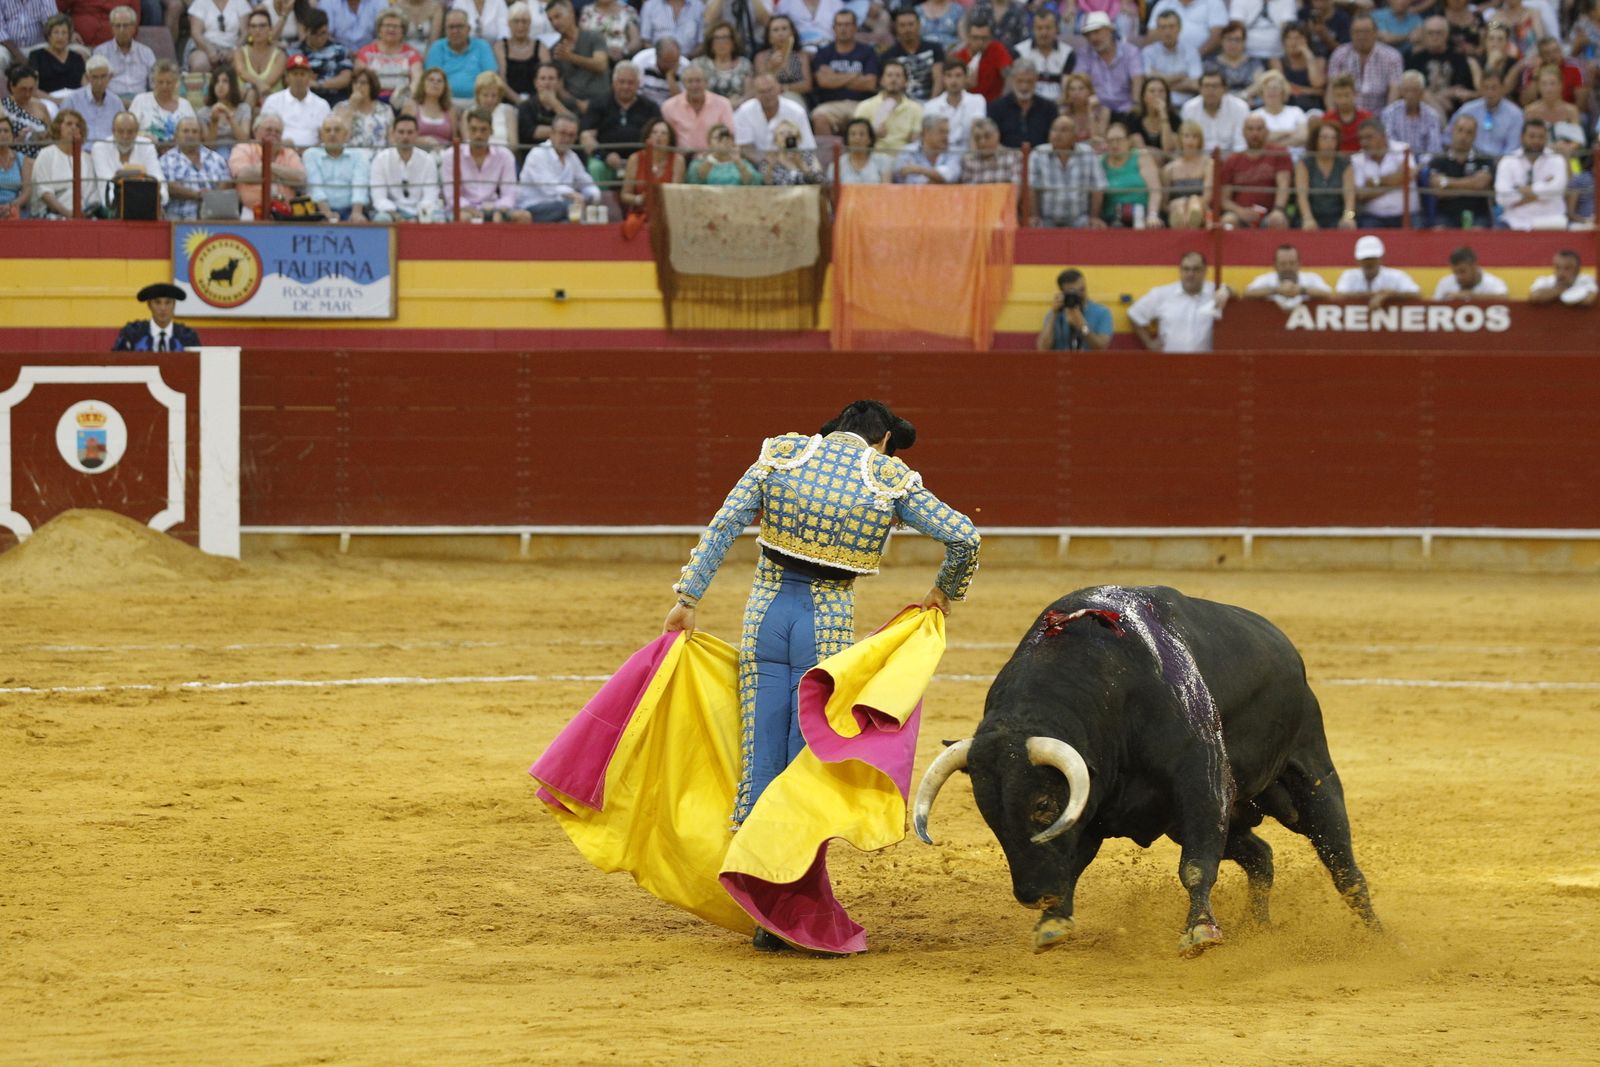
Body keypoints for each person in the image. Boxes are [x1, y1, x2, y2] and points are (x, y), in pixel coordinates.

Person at [663, 398, 980, 949]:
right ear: (884, 440)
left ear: (835, 429)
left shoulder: (782, 453)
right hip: (826, 626)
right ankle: (789, 904)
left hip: (763, 620)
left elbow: (724, 525)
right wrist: (942, 592)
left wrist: (687, 598)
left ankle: (762, 911)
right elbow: (964, 537)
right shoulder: (886, 476)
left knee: (761, 761)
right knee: (804, 770)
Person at [1129, 251, 1231, 352]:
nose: (1190, 274)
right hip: (1170, 361)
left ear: (1204, 271)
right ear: (1180, 271)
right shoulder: (1162, 294)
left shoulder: (1214, 292)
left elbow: (1233, 292)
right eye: (1186, 269)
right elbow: (1134, 313)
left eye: (1196, 269)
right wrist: (1149, 343)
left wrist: (1227, 291)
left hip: (1206, 361)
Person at [582, 62, 661, 184]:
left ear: (638, 84)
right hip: (605, 161)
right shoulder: (598, 104)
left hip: (642, 160)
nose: (626, 86)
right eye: (622, 82)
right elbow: (586, 136)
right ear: (614, 83)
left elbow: (660, 136)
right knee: (596, 167)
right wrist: (605, 156)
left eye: (630, 83)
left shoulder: (650, 107)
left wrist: (639, 158)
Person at [443, 106, 526, 219]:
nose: (478, 135)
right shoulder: (451, 155)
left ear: (491, 131)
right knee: (463, 218)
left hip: (494, 208)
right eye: (474, 129)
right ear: (467, 130)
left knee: (523, 216)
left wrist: (496, 209)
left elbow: (509, 195)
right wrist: (473, 211)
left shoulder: (505, 155)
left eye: (483, 130)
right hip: (464, 209)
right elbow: (451, 196)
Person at [809, 10, 878, 134]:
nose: (843, 29)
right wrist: (855, 75)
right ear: (833, 28)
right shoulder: (824, 53)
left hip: (862, 104)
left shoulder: (868, 52)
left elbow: (870, 84)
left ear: (855, 27)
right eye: (839, 25)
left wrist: (834, 77)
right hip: (831, 105)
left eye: (847, 25)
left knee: (876, 118)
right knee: (818, 116)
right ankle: (827, 149)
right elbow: (824, 82)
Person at [1030, 113, 1105, 225]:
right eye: (1054, 130)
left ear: (1075, 136)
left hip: (1080, 219)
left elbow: (1098, 188)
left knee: (1097, 227)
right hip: (1046, 219)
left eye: (1064, 130)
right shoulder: (1038, 153)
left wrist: (1094, 217)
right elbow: (1031, 188)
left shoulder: (1088, 153)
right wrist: (1034, 216)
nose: (1057, 134)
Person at [1494, 117, 1566, 230]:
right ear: (1522, 138)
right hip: (1514, 221)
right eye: (1532, 136)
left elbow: (1556, 190)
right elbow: (1502, 199)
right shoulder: (1508, 161)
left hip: (1551, 220)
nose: (1536, 141)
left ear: (1546, 139)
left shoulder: (1557, 160)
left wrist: (1522, 190)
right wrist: (1543, 187)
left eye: (1541, 137)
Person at [228, 112, 306, 216]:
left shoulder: (289, 153)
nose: (273, 134)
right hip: (251, 211)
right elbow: (243, 175)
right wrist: (282, 176)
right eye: (268, 130)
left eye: (278, 131)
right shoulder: (243, 148)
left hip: (286, 212)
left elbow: (300, 177)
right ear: (255, 131)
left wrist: (269, 167)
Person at [1218, 113, 1288, 227]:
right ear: (1243, 132)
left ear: (1267, 132)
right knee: (1227, 221)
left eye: (1259, 129)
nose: (1255, 133)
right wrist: (1240, 211)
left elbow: (1283, 186)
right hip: (1239, 214)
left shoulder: (1278, 153)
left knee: (1277, 219)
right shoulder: (1233, 160)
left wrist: (1278, 209)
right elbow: (1224, 199)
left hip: (1270, 213)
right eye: (1250, 129)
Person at [538, 0, 609, 112]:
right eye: (551, 20)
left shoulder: (594, 37)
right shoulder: (555, 50)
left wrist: (571, 57)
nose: (555, 23)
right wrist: (578, 104)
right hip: (573, 106)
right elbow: (559, 88)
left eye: (558, 16)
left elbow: (601, 65)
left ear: (571, 13)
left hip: (602, 101)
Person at [369, 112, 442, 220]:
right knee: (381, 218)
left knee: (438, 218)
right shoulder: (380, 160)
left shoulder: (428, 160)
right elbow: (379, 198)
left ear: (417, 134)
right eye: (401, 132)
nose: (405, 137)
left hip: (421, 213)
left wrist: (418, 217)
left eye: (410, 132)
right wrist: (397, 216)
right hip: (392, 213)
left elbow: (430, 196)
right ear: (393, 133)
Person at [92, 108, 167, 213]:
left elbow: (158, 178)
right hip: (112, 209)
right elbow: (105, 184)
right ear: (113, 131)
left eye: (130, 132)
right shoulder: (100, 147)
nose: (125, 136)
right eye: (121, 131)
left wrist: (159, 200)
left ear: (137, 132)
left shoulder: (147, 145)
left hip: (146, 205)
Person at [1326, 13, 1402, 114]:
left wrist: (1387, 119)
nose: (1361, 36)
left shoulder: (1392, 56)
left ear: (1375, 33)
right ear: (1351, 33)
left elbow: (1394, 93)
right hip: (1345, 116)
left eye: (1366, 31)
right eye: (1357, 32)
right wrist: (1333, 118)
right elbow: (1331, 91)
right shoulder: (1339, 54)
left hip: (1378, 117)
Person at [29, 109, 100, 217]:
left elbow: (92, 193)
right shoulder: (46, 154)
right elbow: (44, 192)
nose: (74, 127)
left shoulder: (87, 158)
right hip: (52, 213)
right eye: (69, 124)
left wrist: (86, 213)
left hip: (83, 214)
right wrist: (67, 213)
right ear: (58, 127)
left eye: (77, 125)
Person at [1427, 113, 1494, 228]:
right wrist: (1472, 185)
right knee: (1439, 232)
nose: (1463, 136)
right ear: (1452, 131)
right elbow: (1438, 191)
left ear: (1475, 136)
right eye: (1460, 130)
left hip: (1478, 215)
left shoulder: (1484, 159)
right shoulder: (1438, 160)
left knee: (1479, 233)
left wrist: (1447, 183)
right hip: (1446, 215)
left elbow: (1481, 184)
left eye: (1469, 132)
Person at [159, 114, 232, 218]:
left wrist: (211, 197)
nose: (190, 135)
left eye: (194, 132)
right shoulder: (165, 160)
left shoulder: (216, 159)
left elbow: (227, 183)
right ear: (176, 135)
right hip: (178, 219)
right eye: (185, 131)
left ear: (201, 135)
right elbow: (166, 187)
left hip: (212, 218)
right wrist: (197, 195)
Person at [1405, 17, 1479, 117]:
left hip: (1454, 111)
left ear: (1446, 35)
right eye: (1430, 33)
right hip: (1421, 111)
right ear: (1424, 35)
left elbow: (1460, 88)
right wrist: (1437, 98)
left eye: (1438, 33)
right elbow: (1410, 88)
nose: (1435, 37)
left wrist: (1442, 95)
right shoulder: (1415, 59)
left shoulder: (1458, 58)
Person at [303, 112, 370, 221]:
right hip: (319, 210)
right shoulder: (310, 154)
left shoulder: (359, 155)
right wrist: (326, 213)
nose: (332, 134)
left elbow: (360, 185)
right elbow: (315, 187)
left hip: (351, 209)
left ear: (346, 135)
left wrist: (356, 213)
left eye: (337, 130)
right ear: (321, 135)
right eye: (327, 130)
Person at [1350, 119, 1414, 228]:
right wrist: (1398, 183)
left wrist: (1375, 182)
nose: (1364, 143)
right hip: (1373, 217)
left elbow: (1409, 174)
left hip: (1406, 215)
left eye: (1369, 137)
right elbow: (1361, 195)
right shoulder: (1356, 159)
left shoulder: (1401, 148)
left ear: (1383, 137)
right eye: (1361, 138)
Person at [355, 8, 425, 106]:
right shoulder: (365, 52)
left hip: (403, 101)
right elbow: (359, 81)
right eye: (387, 25)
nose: (391, 29)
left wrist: (407, 98)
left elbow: (417, 80)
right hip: (372, 100)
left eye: (396, 26)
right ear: (379, 29)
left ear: (403, 31)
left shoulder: (412, 53)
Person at [428, 7, 499, 104]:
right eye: (451, 27)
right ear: (445, 30)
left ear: (468, 29)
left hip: (478, 102)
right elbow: (432, 81)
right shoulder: (437, 47)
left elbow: (490, 77)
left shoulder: (482, 46)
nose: (455, 31)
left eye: (459, 26)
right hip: (445, 102)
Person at [261, 53, 333, 147]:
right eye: (295, 74)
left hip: (313, 152)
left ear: (310, 77)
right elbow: (264, 133)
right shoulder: (273, 101)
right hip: (279, 151)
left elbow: (326, 135)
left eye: (302, 74)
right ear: (287, 77)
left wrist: (312, 150)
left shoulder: (322, 105)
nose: (299, 78)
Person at [1294, 117, 1354, 229]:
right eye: (1324, 138)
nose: (1329, 142)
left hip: (1337, 217)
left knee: (1348, 225)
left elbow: (1350, 197)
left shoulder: (1345, 164)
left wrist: (1349, 217)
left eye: (1333, 138)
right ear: (1316, 140)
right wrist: (1308, 218)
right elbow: (1302, 196)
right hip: (1308, 215)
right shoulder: (1305, 163)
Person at [849, 59, 919, 154]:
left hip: (904, 158)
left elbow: (916, 142)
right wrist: (873, 134)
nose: (893, 80)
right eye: (889, 75)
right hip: (873, 157)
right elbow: (854, 140)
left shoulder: (916, 109)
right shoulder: (865, 106)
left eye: (898, 76)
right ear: (881, 80)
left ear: (905, 82)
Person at [1077, 11, 1142, 114]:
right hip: (1096, 110)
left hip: (1126, 109)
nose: (1093, 38)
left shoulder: (1130, 51)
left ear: (1109, 31)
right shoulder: (1084, 54)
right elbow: (1079, 80)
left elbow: (1137, 78)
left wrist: (1136, 103)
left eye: (1096, 32)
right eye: (1088, 35)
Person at [736, 72, 815, 155]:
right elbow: (745, 147)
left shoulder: (796, 112)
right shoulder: (744, 112)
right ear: (755, 93)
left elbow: (807, 147)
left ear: (779, 88)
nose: (767, 95)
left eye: (770, 90)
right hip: (755, 161)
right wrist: (765, 162)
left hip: (791, 159)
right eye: (762, 92)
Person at [1099, 120, 1161, 224]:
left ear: (1129, 141)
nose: (1114, 144)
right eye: (1110, 140)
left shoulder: (1142, 157)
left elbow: (1155, 191)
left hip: (1142, 214)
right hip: (1112, 218)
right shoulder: (1100, 162)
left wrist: (1153, 215)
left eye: (1119, 140)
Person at [663, 63, 736, 149]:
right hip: (681, 155)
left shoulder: (723, 104)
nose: (694, 86)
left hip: (713, 154)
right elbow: (667, 139)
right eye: (690, 81)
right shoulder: (669, 106)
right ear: (684, 84)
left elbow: (729, 135)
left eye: (698, 81)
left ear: (706, 83)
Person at [1454, 68, 1522, 160]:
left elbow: (1513, 148)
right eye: (1486, 88)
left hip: (1501, 162)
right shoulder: (1467, 110)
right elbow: (1449, 136)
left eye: (1494, 88)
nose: (1490, 92)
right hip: (1470, 159)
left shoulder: (1515, 115)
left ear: (1503, 88)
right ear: (1481, 88)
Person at [1036, 267, 1112, 350]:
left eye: (1082, 289)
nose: (1080, 294)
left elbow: (1100, 347)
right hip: (1062, 358)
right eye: (1073, 292)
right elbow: (1043, 348)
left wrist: (1082, 326)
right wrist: (1054, 314)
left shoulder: (1101, 312)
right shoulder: (1055, 313)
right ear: (1063, 293)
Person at [619, 116, 684, 212]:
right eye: (654, 132)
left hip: (667, 212)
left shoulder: (678, 160)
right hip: (641, 211)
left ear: (670, 139)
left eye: (664, 133)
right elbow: (625, 195)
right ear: (648, 136)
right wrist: (639, 199)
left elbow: (676, 193)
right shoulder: (635, 159)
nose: (659, 136)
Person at [987, 60, 1055, 150]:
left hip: (1042, 156)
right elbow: (990, 140)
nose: (1024, 87)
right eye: (1020, 81)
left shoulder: (1049, 108)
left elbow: (1054, 140)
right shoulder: (996, 108)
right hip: (1005, 156)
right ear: (1012, 79)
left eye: (1029, 81)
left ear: (1036, 80)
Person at [920, 58, 986, 152]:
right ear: (943, 78)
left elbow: (977, 131)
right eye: (949, 76)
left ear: (966, 78)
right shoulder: (930, 106)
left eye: (958, 76)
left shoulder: (977, 100)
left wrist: (973, 156)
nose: (953, 81)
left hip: (969, 152)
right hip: (941, 154)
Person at [1379, 70, 1443, 164]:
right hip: (1396, 163)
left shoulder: (1432, 116)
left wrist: (1420, 166)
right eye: (1407, 90)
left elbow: (1434, 148)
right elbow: (1389, 144)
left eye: (1414, 90)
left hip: (1424, 165)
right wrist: (1406, 164)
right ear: (1401, 92)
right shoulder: (1389, 113)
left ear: (1422, 93)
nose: (1410, 95)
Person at [1334, 233, 1420, 303]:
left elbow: (1416, 294)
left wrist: (1389, 295)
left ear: (1382, 257)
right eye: (1366, 259)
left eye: (1373, 258)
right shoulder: (1349, 276)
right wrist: (1378, 295)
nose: (1369, 262)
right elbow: (1339, 295)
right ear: (1357, 260)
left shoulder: (1397, 276)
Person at [112, 283, 201, 351]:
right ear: (149, 305)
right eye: (157, 302)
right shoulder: (132, 333)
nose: (163, 308)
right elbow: (117, 362)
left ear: (174, 305)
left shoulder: (188, 336)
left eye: (168, 303)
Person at [884, 7, 946, 103]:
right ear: (896, 28)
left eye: (911, 24)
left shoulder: (934, 48)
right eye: (902, 25)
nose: (907, 29)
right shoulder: (888, 55)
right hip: (902, 105)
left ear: (919, 25)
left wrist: (931, 105)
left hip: (932, 102)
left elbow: (938, 79)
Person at [93, 6, 157, 98]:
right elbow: (96, 85)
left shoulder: (146, 53)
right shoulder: (101, 52)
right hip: (112, 100)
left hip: (140, 100)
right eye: (117, 26)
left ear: (134, 27)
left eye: (126, 26)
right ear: (112, 28)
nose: (121, 30)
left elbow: (155, 82)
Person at [1243, 242, 1331, 308]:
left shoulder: (1311, 278)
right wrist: (1276, 290)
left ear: (1299, 264)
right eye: (1283, 264)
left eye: (1292, 263)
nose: (1288, 267)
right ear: (1275, 265)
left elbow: (1328, 294)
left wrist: (1302, 290)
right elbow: (1247, 294)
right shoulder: (1266, 279)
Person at [130, 58, 195, 145]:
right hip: (148, 148)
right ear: (153, 82)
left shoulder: (185, 104)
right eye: (160, 82)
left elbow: (194, 132)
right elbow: (129, 130)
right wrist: (144, 136)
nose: (164, 86)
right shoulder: (141, 100)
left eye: (169, 82)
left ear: (176, 83)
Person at [63, 56, 126, 144]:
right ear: (87, 77)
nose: (99, 82)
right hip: (80, 149)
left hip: (108, 149)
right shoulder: (72, 100)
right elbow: (61, 130)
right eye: (95, 77)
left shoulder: (116, 102)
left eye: (103, 76)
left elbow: (123, 129)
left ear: (110, 77)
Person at [1180, 69, 1246, 152]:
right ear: (1200, 89)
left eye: (1215, 86)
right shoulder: (1189, 108)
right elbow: (1186, 142)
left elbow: (1241, 144)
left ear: (1224, 89)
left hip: (1232, 157)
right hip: (1198, 157)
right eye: (1206, 86)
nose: (1210, 90)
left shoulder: (1240, 107)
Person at [1162, 118, 1212, 226]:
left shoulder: (1208, 164)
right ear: (1180, 139)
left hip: (1201, 208)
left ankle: (1192, 220)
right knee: (1179, 205)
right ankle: (1181, 222)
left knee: (1194, 203)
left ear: (1200, 140)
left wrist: (1191, 204)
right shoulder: (1169, 169)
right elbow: (1164, 204)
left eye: (1195, 137)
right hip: (1176, 208)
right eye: (1186, 136)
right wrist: (1181, 204)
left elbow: (1208, 196)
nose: (1190, 141)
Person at [753, 14, 812, 105]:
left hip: (795, 97)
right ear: (769, 36)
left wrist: (782, 88)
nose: (780, 33)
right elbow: (758, 83)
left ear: (792, 33)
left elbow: (807, 85)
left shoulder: (801, 56)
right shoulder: (761, 57)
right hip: (767, 97)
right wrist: (770, 67)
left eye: (784, 29)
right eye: (775, 30)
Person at [516, 62, 577, 146]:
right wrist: (563, 131)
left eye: (551, 78)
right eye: (542, 78)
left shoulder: (570, 104)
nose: (547, 83)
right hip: (533, 150)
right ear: (536, 82)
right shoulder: (525, 106)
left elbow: (575, 128)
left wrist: (554, 103)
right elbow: (532, 132)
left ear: (559, 82)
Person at [235, 7, 288, 104]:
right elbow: (242, 73)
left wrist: (253, 87)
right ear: (249, 30)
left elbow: (268, 84)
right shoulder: (240, 52)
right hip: (245, 103)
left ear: (270, 29)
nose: (257, 30)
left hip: (272, 105)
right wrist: (259, 84)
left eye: (262, 26)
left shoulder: (280, 55)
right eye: (253, 26)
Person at [186, 0, 254, 75]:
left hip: (233, 46)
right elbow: (196, 33)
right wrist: (209, 50)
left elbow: (245, 33)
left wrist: (234, 51)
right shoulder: (200, 2)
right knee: (199, 64)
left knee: (240, 65)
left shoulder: (240, 2)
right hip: (205, 46)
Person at [335, 68, 395, 149]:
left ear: (372, 86)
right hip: (352, 154)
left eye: (363, 83)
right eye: (355, 82)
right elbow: (340, 139)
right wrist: (351, 108)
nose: (358, 86)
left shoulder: (386, 109)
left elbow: (392, 140)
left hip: (379, 154)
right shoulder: (341, 107)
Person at [891, 112, 958, 183]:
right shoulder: (908, 151)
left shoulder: (953, 152)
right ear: (927, 132)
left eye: (947, 132)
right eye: (941, 132)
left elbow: (951, 177)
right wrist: (938, 178)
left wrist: (918, 169)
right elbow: (910, 181)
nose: (946, 136)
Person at [1146, 0, 1227, 58]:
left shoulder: (1213, 2)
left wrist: (1194, 57)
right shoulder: (1164, 3)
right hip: (1167, 58)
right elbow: (1152, 35)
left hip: (1205, 57)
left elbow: (1218, 35)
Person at [686, 121, 761, 182]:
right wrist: (715, 156)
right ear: (709, 143)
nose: (723, 141)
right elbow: (696, 180)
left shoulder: (743, 163)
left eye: (726, 138)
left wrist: (737, 161)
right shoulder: (698, 164)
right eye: (717, 138)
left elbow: (753, 182)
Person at [198, 64, 251, 150]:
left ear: (233, 85)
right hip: (214, 153)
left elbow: (244, 140)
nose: (220, 85)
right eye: (217, 81)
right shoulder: (203, 113)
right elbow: (208, 146)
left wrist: (229, 117)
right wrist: (214, 121)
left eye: (225, 81)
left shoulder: (244, 108)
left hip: (238, 152)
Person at [1247, 69, 1304, 148]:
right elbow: (1257, 139)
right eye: (1268, 88)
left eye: (1275, 88)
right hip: (1265, 155)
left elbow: (1303, 136)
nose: (1272, 91)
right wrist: (1289, 132)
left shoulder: (1296, 111)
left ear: (1283, 92)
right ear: (1262, 93)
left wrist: (1272, 141)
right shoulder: (1254, 115)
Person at [1205, 20, 1264, 97]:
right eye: (1229, 39)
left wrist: (1243, 96)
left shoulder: (1253, 62)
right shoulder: (1210, 63)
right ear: (1221, 41)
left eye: (1237, 40)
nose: (1233, 44)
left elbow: (1259, 84)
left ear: (1244, 42)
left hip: (1249, 100)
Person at [696, 22, 753, 100]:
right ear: (711, 43)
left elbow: (749, 94)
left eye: (725, 38)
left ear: (733, 42)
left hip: (738, 106)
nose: (721, 43)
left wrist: (734, 103)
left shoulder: (745, 65)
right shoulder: (699, 65)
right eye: (717, 38)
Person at [1274, 20, 1324, 110]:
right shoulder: (1277, 61)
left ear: (1307, 40)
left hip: (1313, 108)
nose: (1293, 42)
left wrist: (1308, 56)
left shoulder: (1319, 60)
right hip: (1287, 106)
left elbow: (1317, 84)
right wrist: (1311, 91)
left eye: (1298, 38)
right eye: (1289, 38)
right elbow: (1282, 87)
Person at [459, 69, 516, 146]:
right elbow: (467, 143)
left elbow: (514, 145)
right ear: (478, 95)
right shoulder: (468, 113)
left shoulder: (508, 111)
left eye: (494, 95)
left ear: (499, 95)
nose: (490, 99)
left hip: (504, 151)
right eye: (485, 95)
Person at [959, 116, 1020, 185]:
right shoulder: (968, 161)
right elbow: (967, 189)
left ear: (997, 135)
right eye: (977, 138)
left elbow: (1016, 187)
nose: (982, 142)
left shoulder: (1014, 157)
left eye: (987, 136)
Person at [34, 14, 86, 94]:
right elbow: (33, 90)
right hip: (48, 98)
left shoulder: (77, 58)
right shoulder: (37, 56)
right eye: (56, 32)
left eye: (64, 33)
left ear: (69, 36)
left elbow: (85, 87)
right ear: (49, 35)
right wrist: (54, 100)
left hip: (74, 98)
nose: (60, 37)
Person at [409, 66, 460, 147]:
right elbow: (404, 137)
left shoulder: (450, 110)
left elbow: (455, 140)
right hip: (418, 151)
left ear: (444, 87)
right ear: (423, 83)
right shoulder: (412, 106)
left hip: (444, 152)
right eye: (431, 80)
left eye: (439, 81)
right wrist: (424, 140)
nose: (435, 83)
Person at [1432, 246, 1508, 300]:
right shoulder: (1445, 283)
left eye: (1462, 271)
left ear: (1474, 266)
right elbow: (1434, 305)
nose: (1459, 276)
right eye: (1455, 272)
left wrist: (1470, 296)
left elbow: (1503, 298)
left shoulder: (1493, 282)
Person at [1058, 71, 1109, 149]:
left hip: (1095, 152)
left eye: (1081, 89)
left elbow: (1098, 140)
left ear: (1089, 91)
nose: (1076, 93)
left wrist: (1090, 111)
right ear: (1068, 93)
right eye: (1072, 89)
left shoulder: (1102, 111)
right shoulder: (1064, 114)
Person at [1527, 248, 1598, 305]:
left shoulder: (1586, 280)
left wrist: (1552, 294)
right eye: (1557, 267)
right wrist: (1564, 288)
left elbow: (1588, 300)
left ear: (1577, 270)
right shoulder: (1545, 280)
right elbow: (1535, 297)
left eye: (1567, 268)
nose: (1561, 273)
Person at [633, 35, 688, 106]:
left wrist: (670, 76)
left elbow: (681, 102)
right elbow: (634, 93)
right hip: (644, 106)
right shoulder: (641, 61)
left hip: (670, 108)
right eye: (667, 62)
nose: (671, 65)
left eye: (675, 61)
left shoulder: (686, 67)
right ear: (657, 56)